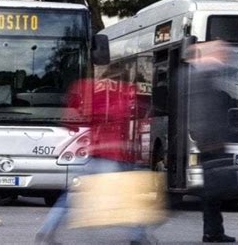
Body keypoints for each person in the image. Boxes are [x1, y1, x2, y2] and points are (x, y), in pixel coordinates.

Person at [35, 78, 151, 244]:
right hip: (115, 155)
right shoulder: (126, 90)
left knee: (70, 196)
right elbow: (135, 115)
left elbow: (69, 120)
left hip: (92, 153)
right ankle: (137, 236)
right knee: (129, 197)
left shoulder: (85, 86)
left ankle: (47, 229)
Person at [185, 41, 236, 243]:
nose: (226, 55)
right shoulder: (203, 75)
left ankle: (214, 231)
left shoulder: (206, 74)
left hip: (212, 141)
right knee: (212, 192)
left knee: (213, 191)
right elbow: (202, 111)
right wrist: (209, 139)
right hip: (211, 143)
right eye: (223, 51)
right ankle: (212, 232)